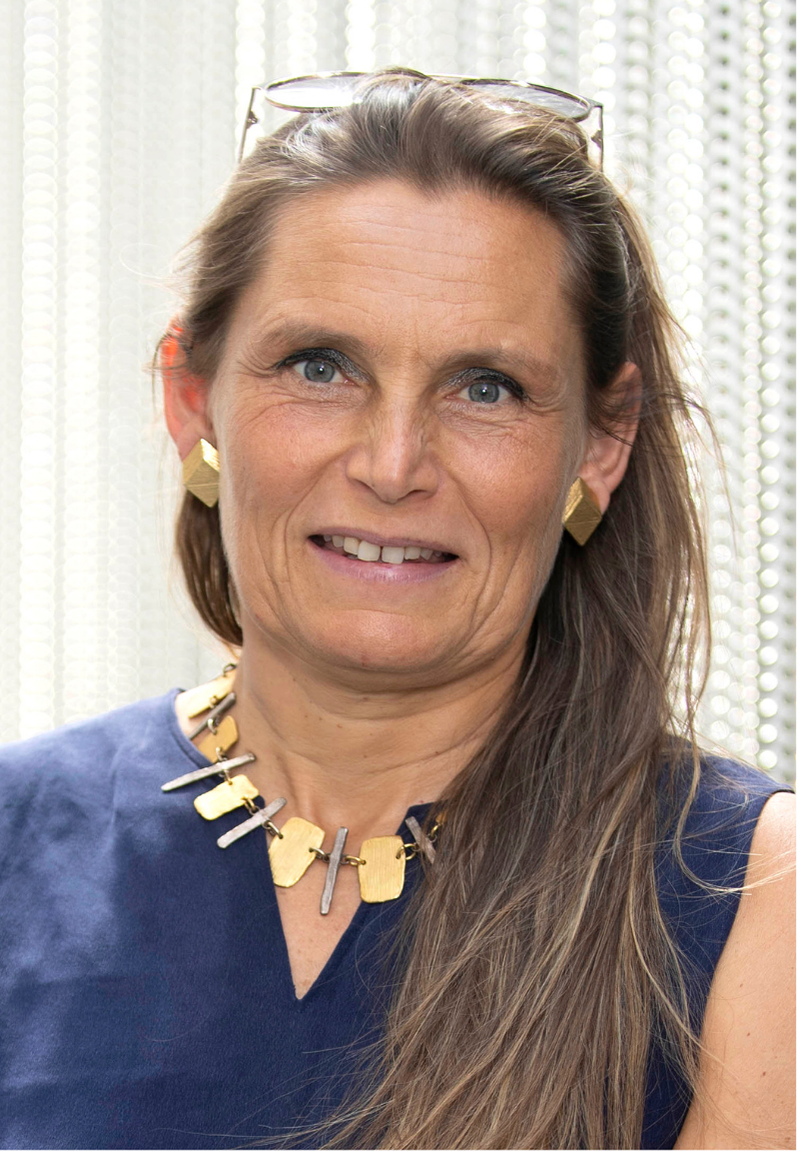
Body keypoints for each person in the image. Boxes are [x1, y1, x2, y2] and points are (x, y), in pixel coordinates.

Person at [0, 68, 793, 1151]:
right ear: (193, 399)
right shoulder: (15, 840)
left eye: (485, 387)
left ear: (600, 443)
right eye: (319, 366)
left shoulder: (753, 893)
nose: (392, 463)